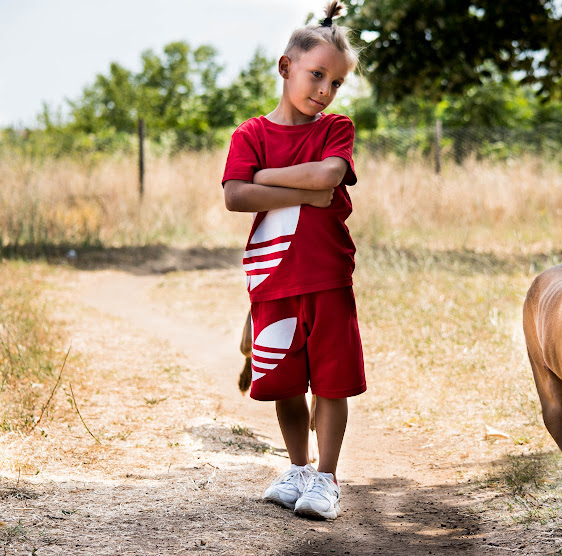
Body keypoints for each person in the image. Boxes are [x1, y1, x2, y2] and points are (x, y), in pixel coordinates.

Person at [220, 0, 364, 521]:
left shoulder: (335, 128)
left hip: (326, 277)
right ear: (286, 67)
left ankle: (325, 478)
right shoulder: (251, 134)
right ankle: (298, 467)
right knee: (285, 381)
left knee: (330, 380)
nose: (324, 91)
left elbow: (329, 180)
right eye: (316, 75)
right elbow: (235, 197)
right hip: (273, 276)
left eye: (335, 83)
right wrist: (275, 185)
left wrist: (262, 178)